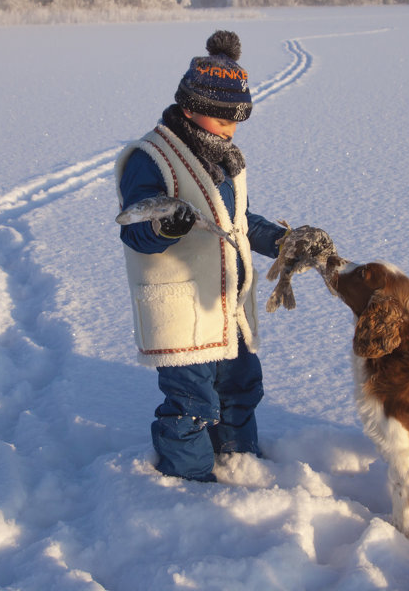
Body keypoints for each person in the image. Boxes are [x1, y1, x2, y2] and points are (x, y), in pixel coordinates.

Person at [115, 30, 290, 482]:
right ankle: (187, 486)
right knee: (192, 404)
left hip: (225, 303)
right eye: (222, 120)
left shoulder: (224, 158)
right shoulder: (151, 157)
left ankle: (239, 463)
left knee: (241, 385)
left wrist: (283, 242)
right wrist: (162, 225)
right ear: (190, 107)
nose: (231, 131)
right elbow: (135, 228)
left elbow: (239, 221)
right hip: (180, 306)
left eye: (236, 122)